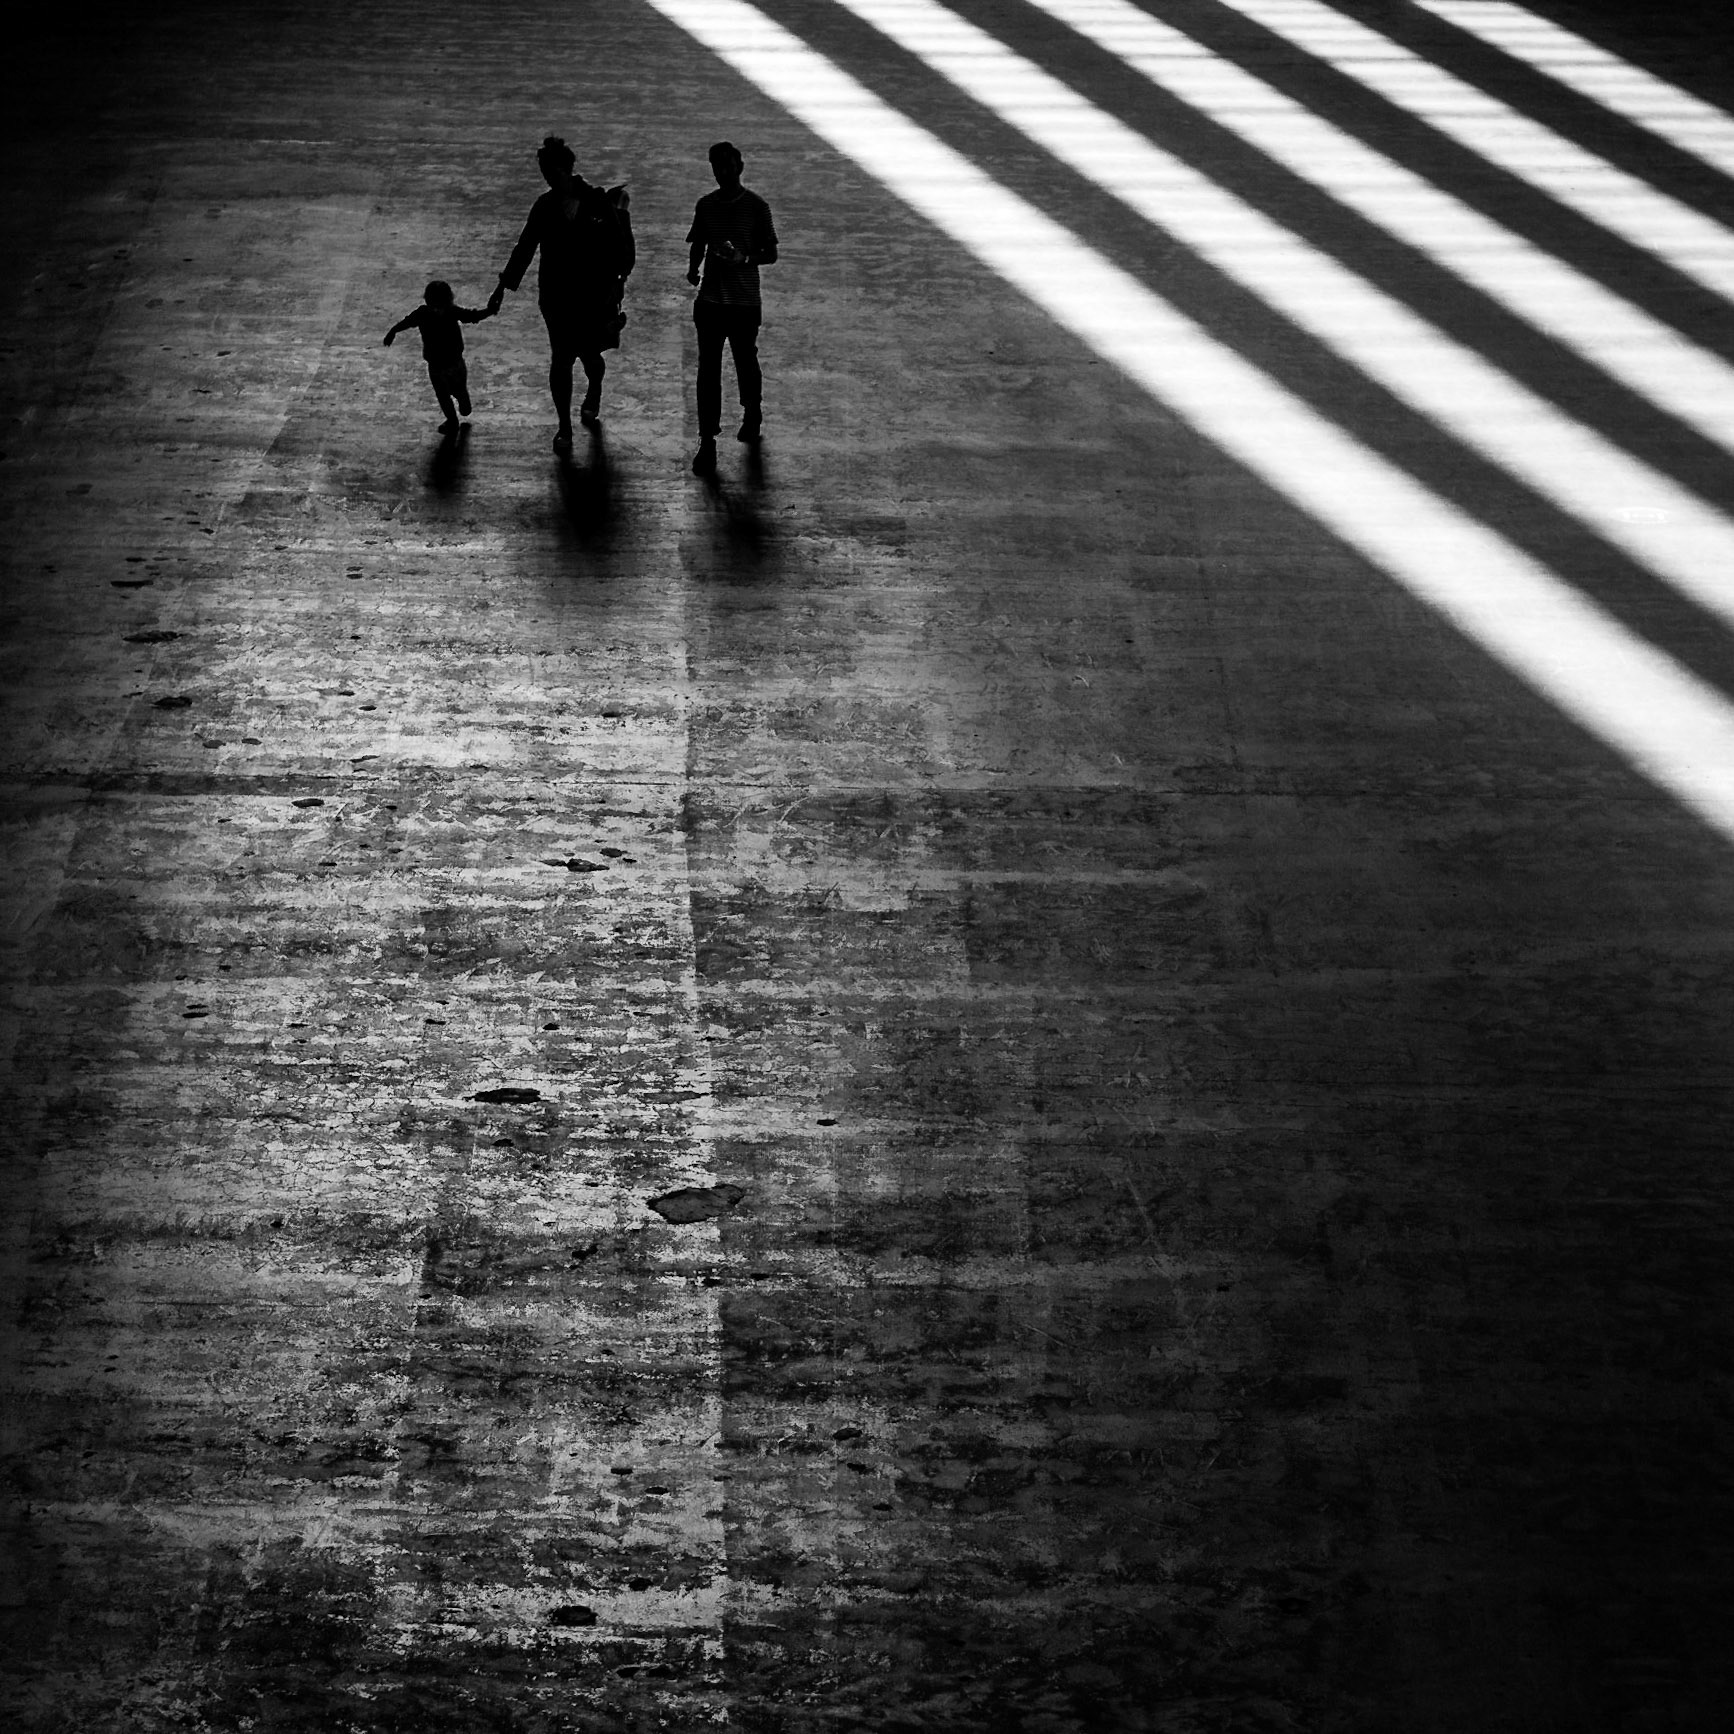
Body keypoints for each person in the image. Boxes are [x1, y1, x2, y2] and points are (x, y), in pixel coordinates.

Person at [495, 135, 635, 454]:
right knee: (561, 358)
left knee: (588, 356)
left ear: (567, 168)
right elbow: (526, 245)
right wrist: (502, 287)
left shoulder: (597, 202)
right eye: (545, 173)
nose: (549, 179)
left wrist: (619, 279)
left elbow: (621, 246)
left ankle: (594, 388)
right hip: (556, 298)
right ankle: (564, 427)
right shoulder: (544, 206)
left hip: (593, 297)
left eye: (553, 172)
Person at [686, 141, 778, 476]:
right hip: (710, 302)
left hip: (743, 302)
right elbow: (698, 241)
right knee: (708, 372)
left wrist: (744, 258)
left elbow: (770, 252)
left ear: (739, 167)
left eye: (727, 166)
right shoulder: (706, 206)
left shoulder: (756, 207)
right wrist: (694, 268)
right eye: (717, 167)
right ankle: (707, 440)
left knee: (744, 361)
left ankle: (752, 410)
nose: (722, 172)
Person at [382, 279, 502, 433]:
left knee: (442, 395)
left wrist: (393, 331)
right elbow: (473, 316)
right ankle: (462, 401)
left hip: (436, 364)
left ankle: (452, 421)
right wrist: (490, 311)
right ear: (450, 298)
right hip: (455, 362)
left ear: (426, 299)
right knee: (457, 388)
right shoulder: (452, 312)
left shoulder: (422, 313)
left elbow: (406, 322)